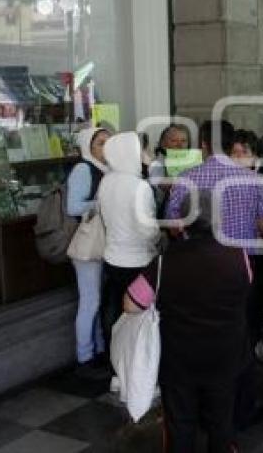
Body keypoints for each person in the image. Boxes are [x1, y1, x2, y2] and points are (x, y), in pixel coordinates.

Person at [165, 120, 263, 429]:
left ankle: (199, 411)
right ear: (230, 144)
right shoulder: (251, 179)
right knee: (242, 339)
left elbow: (175, 227)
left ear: (203, 145)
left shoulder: (186, 177)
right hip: (243, 271)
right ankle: (241, 410)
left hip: (194, 271)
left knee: (197, 337)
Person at [123, 217, 251, 453]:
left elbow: (131, 304)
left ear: (182, 225)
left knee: (180, 423)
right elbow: (246, 285)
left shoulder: (163, 263)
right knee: (221, 420)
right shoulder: (239, 255)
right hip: (225, 356)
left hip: (179, 360)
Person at [97, 132, 160, 356]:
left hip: (112, 256)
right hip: (138, 260)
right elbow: (148, 229)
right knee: (138, 317)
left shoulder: (106, 182)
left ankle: (114, 364)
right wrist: (158, 240)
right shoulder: (139, 187)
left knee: (113, 312)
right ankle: (135, 365)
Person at [66, 127, 111, 373]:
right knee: (90, 302)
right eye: (101, 143)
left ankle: (98, 349)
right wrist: (103, 202)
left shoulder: (105, 169)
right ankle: (84, 357)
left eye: (108, 142)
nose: (106, 147)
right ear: (88, 147)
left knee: (96, 301)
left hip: (100, 244)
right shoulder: (84, 169)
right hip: (87, 246)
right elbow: (72, 207)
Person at [147, 124, 190, 216]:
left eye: (183, 141)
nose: (180, 145)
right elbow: (161, 185)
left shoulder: (192, 161)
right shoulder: (158, 163)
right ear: (163, 144)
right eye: (174, 141)